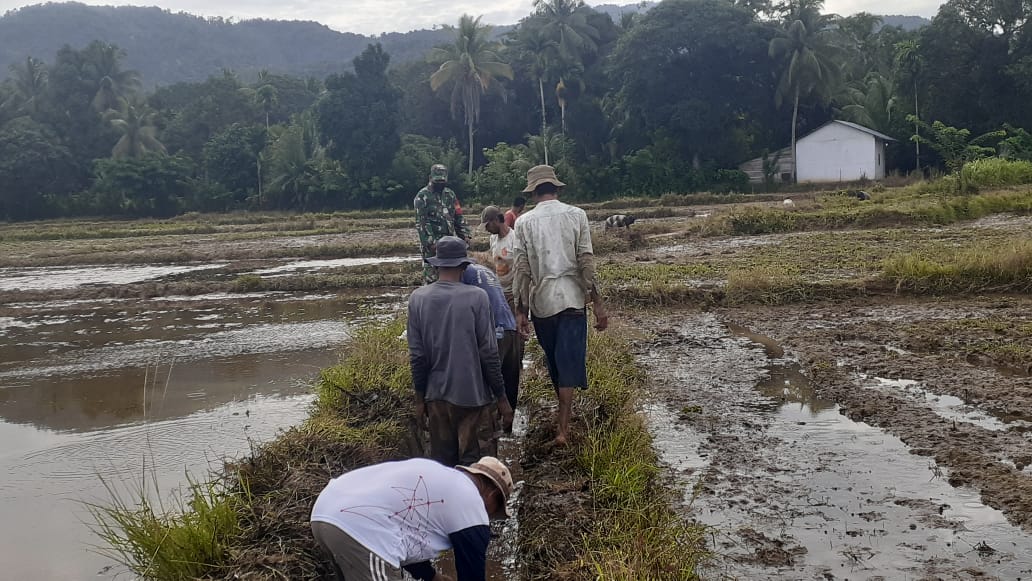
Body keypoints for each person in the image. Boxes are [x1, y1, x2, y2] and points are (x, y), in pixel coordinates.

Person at [512, 165, 608, 446]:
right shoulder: (577, 215)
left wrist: (521, 311)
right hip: (573, 301)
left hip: (543, 304)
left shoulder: (524, 223)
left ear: (533, 193)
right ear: (556, 188)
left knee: (555, 362)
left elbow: (522, 270)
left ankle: (563, 422)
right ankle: (563, 429)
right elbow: (586, 262)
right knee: (568, 363)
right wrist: (598, 303)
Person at [310, 456, 514, 581]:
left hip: (325, 514)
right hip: (359, 527)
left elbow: (404, 538)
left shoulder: (442, 480)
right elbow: (472, 575)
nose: (488, 517)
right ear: (492, 495)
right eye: (494, 511)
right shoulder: (472, 505)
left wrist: (431, 576)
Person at [408, 236, 514, 466]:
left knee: (444, 467)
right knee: (476, 468)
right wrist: (502, 399)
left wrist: (419, 400)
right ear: (464, 266)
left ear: (437, 266)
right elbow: (489, 354)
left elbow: (417, 356)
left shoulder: (417, 299)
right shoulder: (477, 297)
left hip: (436, 398)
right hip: (473, 398)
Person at [461, 259, 521, 414]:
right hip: (510, 327)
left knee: (490, 383)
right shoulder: (485, 271)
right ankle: (508, 424)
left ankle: (491, 423)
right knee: (510, 383)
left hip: (494, 330)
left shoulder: (462, 274)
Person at [481, 205, 524, 409]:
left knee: (516, 336)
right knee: (501, 336)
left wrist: (520, 300)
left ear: (497, 220)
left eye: (487, 224)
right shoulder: (493, 240)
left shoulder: (514, 239)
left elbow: (522, 268)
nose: (486, 229)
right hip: (499, 293)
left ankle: (515, 371)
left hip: (514, 294)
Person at [414, 164, 471, 284]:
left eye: (442, 182)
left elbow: (458, 216)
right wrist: (433, 244)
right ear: (430, 178)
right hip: (433, 249)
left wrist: (465, 235)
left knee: (454, 279)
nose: (440, 184)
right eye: (437, 182)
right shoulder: (422, 197)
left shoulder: (450, 195)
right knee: (433, 281)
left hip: (451, 245)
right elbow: (422, 224)